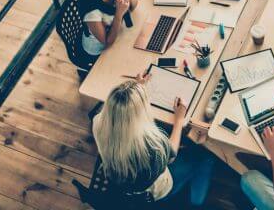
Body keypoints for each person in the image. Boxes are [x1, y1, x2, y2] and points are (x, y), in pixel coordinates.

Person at [92, 76, 215, 205]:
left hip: (122, 183)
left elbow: (123, 111)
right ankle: (196, 203)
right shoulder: (152, 146)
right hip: (155, 192)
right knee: (206, 157)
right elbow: (172, 154)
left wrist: (136, 88)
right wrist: (179, 119)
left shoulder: (98, 122)